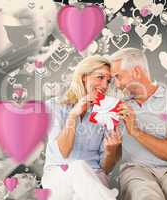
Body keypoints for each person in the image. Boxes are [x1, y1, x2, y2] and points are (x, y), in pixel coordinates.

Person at [109, 48, 167, 200]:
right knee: (144, 194)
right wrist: (111, 148)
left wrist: (135, 131)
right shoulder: (117, 106)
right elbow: (109, 158)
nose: (116, 84)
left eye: (118, 77)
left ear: (136, 72)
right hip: (136, 170)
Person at [41, 55, 121, 200]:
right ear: (84, 77)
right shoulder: (54, 106)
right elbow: (63, 153)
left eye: (108, 81)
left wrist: (111, 150)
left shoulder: (106, 113)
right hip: (58, 176)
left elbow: (106, 168)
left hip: (94, 177)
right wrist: (72, 116)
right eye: (100, 77)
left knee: (82, 180)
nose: (104, 85)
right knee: (78, 167)